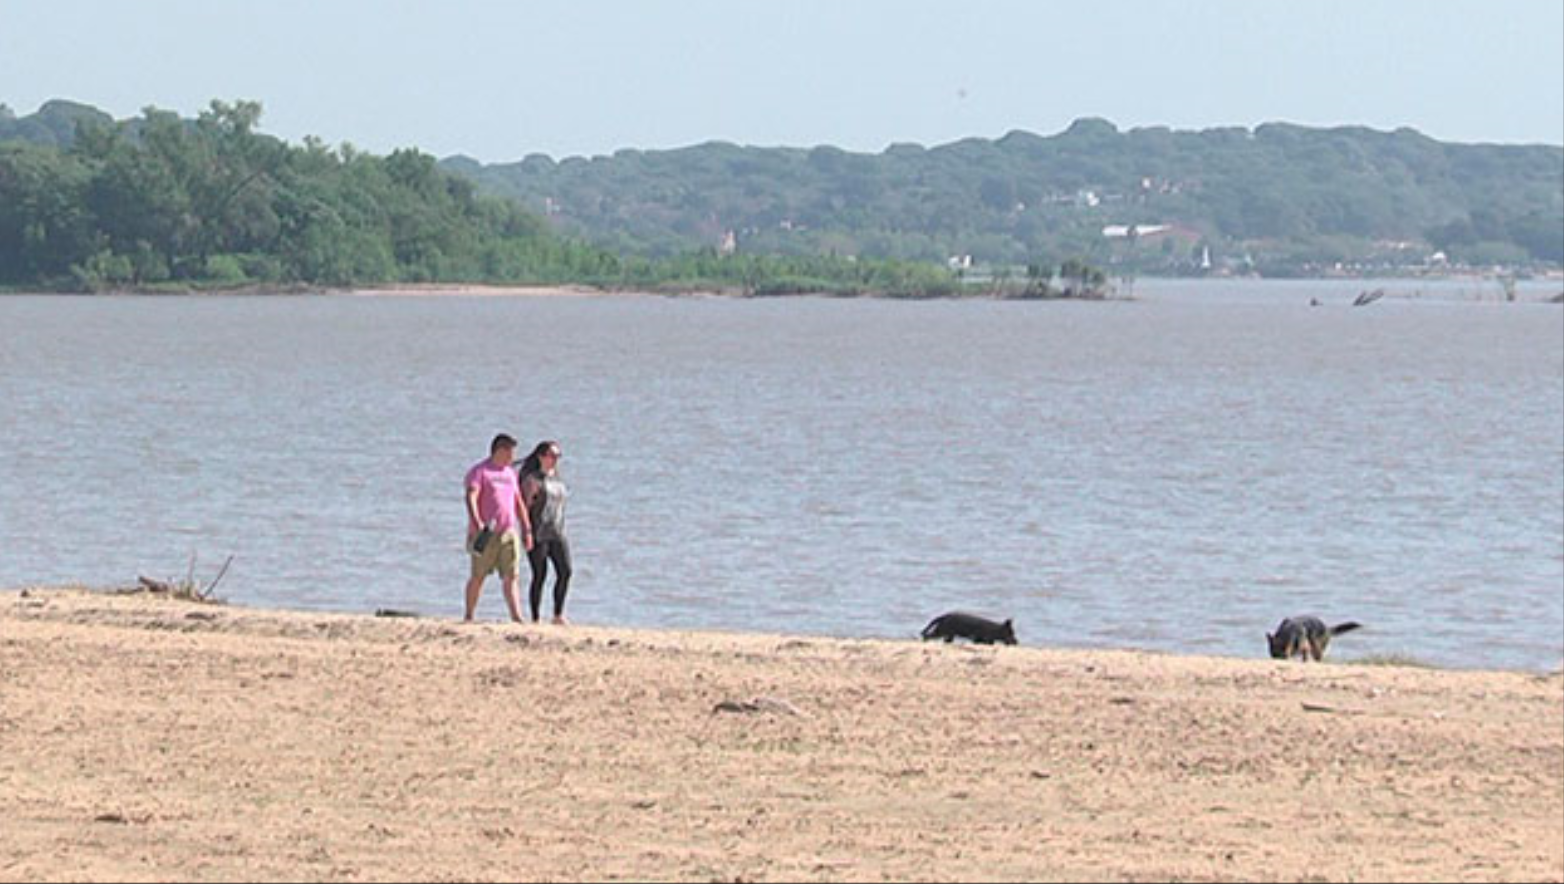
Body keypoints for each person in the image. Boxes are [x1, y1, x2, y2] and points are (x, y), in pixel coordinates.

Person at [463, 434, 534, 622]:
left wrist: (526, 528)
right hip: (486, 533)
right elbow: (471, 496)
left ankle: (516, 616)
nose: (512, 456)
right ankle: (469, 614)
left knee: (511, 575)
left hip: (508, 531)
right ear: (500, 450)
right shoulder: (480, 471)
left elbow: (518, 502)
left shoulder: (510, 473)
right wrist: (476, 521)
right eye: (510, 452)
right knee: (478, 576)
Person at [518, 440, 572, 624]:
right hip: (538, 532)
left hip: (557, 531)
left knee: (565, 571)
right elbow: (524, 506)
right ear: (541, 456)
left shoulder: (556, 477)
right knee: (540, 574)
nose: (555, 460)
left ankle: (558, 614)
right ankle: (535, 617)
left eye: (558, 456)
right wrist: (526, 531)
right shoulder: (532, 479)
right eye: (552, 456)